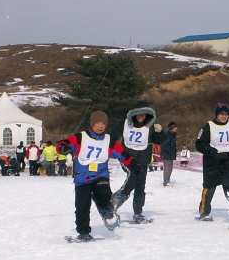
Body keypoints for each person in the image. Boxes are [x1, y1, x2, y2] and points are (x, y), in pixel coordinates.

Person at [56, 111, 131, 240]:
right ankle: (84, 232)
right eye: (97, 123)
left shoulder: (109, 141)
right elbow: (63, 144)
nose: (100, 126)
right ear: (92, 124)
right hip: (82, 177)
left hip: (100, 175)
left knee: (104, 194)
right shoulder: (81, 137)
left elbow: (122, 153)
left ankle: (105, 207)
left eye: (103, 123)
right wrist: (63, 148)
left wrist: (133, 163)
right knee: (82, 207)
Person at [110, 101, 158, 223]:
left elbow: (160, 140)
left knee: (140, 187)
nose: (141, 117)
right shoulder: (125, 123)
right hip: (127, 158)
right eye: (139, 114)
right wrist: (113, 149)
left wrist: (160, 132)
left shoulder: (150, 126)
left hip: (143, 160)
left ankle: (138, 214)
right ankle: (120, 196)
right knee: (133, 175)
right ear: (134, 114)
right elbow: (112, 136)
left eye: (144, 115)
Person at [195, 103, 229, 221]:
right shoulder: (208, 126)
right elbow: (199, 144)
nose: (224, 116)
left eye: (226, 114)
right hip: (212, 159)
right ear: (216, 115)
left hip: (228, 158)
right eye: (221, 114)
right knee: (210, 187)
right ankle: (204, 212)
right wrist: (210, 151)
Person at [157, 121, 178, 186]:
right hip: (166, 155)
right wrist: (170, 153)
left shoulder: (173, 135)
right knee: (167, 168)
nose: (176, 128)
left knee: (170, 168)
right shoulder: (168, 135)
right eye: (175, 127)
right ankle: (166, 182)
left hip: (170, 155)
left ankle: (167, 181)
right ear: (172, 128)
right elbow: (165, 146)